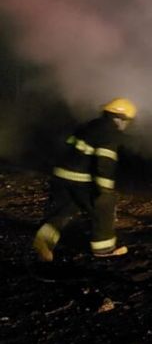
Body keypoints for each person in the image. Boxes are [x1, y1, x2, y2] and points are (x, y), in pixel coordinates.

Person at [32, 98, 137, 261]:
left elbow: (66, 146)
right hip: (79, 179)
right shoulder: (110, 133)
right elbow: (105, 164)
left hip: (60, 173)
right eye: (127, 121)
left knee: (63, 211)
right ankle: (104, 249)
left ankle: (44, 240)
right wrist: (105, 190)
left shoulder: (90, 125)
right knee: (103, 208)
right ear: (120, 119)